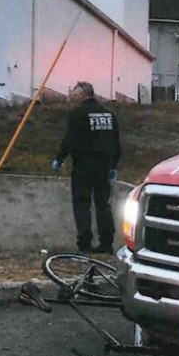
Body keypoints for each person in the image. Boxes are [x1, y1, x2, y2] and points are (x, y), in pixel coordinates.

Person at [52, 81, 121, 254]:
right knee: (103, 204)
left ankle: (84, 243)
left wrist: (59, 159)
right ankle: (106, 243)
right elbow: (116, 143)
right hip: (104, 165)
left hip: (83, 164)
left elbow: (70, 140)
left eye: (75, 94)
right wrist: (113, 165)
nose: (73, 97)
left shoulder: (78, 114)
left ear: (83, 95)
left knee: (82, 203)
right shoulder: (108, 115)